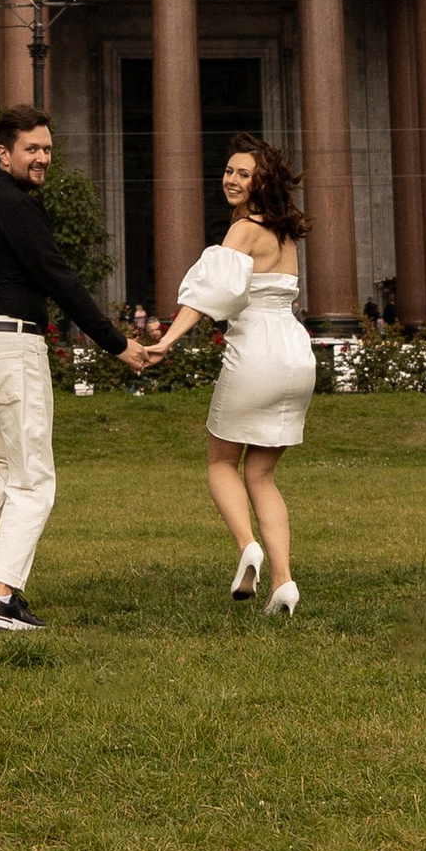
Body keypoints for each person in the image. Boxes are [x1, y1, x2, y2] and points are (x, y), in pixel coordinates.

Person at [0, 108, 145, 635]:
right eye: (32, 149)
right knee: (34, 477)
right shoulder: (17, 207)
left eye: (47, 148)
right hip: (9, 346)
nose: (43, 157)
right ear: (5, 154)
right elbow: (59, 279)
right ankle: (1, 598)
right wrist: (117, 344)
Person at [142, 137, 316, 616]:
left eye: (243, 173)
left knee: (221, 462)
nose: (232, 179)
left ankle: (247, 547)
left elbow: (206, 293)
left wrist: (166, 341)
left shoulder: (243, 230)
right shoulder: (285, 236)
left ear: (262, 181)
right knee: (261, 474)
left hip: (258, 350)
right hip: (296, 357)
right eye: (228, 170)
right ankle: (283, 583)